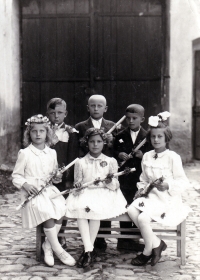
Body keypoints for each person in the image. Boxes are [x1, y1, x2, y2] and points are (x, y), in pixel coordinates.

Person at [127, 111, 191, 266]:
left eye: (159, 136)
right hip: (151, 197)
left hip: (167, 199)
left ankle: (147, 251)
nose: (156, 140)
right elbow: (143, 179)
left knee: (142, 218)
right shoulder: (147, 156)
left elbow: (183, 181)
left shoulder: (172, 157)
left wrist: (168, 185)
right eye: (153, 136)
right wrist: (141, 189)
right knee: (131, 210)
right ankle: (157, 243)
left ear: (166, 138)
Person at [12, 115, 76, 267]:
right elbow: (16, 176)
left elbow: (53, 176)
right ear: (29, 134)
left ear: (47, 133)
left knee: (61, 207)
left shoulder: (51, 153)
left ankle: (48, 245)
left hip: (48, 190)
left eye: (42, 131)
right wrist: (26, 185)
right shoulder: (25, 153)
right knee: (46, 211)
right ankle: (58, 249)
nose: (38, 134)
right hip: (32, 193)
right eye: (34, 131)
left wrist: (57, 177)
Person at [65, 128, 127, 268]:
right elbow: (77, 181)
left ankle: (87, 250)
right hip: (86, 192)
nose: (95, 144)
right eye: (92, 141)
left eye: (99, 141)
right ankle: (89, 250)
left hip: (104, 193)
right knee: (81, 211)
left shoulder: (110, 161)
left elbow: (115, 184)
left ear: (104, 143)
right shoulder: (80, 162)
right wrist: (78, 184)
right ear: (86, 143)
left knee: (95, 211)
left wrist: (108, 181)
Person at [75, 94, 119, 250]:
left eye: (99, 106)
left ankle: (101, 237)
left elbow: (116, 149)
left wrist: (111, 140)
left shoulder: (112, 125)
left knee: (102, 202)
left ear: (105, 108)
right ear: (88, 108)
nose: (96, 108)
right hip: (88, 168)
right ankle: (89, 239)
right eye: (92, 106)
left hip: (105, 167)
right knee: (87, 203)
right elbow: (79, 149)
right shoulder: (80, 126)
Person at [114, 104, 152, 251]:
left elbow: (151, 153)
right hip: (125, 178)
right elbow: (114, 150)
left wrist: (142, 156)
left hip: (140, 177)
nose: (130, 121)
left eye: (134, 118)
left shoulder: (147, 136)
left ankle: (135, 239)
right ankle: (123, 239)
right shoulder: (120, 135)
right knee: (126, 206)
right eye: (128, 118)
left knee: (138, 207)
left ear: (142, 119)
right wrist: (119, 154)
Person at [47, 98, 79, 249]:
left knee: (61, 204)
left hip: (63, 173)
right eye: (52, 113)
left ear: (65, 114)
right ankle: (47, 235)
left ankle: (61, 234)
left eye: (59, 113)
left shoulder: (70, 132)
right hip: (46, 173)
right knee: (47, 204)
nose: (56, 116)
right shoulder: (43, 130)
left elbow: (72, 156)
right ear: (48, 113)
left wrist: (68, 177)